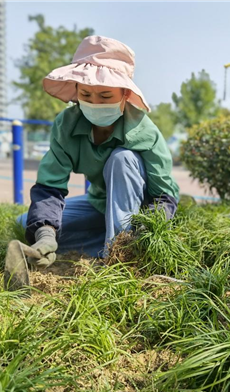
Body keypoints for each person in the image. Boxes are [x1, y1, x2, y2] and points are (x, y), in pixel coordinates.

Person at [17, 36, 180, 265]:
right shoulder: (67, 125)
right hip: (100, 203)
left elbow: (163, 195)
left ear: (125, 94)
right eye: (86, 95)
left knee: (122, 158)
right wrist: (46, 232)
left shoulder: (144, 132)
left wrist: (148, 227)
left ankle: (120, 254)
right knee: (28, 222)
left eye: (105, 96)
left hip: (142, 209)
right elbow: (50, 186)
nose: (95, 103)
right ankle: (102, 241)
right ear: (77, 92)